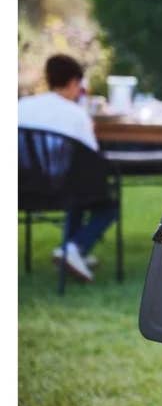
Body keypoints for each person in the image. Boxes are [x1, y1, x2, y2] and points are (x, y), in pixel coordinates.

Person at [17, 54, 117, 283]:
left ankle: (72, 250)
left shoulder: (22, 107)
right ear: (73, 82)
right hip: (63, 189)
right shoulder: (76, 115)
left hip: (23, 188)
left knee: (78, 191)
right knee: (107, 204)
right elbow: (93, 156)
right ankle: (75, 247)